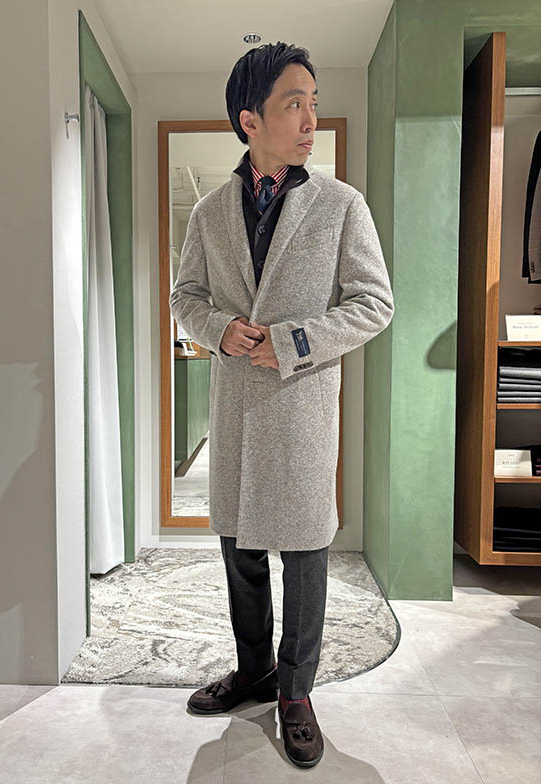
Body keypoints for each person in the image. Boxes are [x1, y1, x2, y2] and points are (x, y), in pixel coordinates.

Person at [169, 41, 394, 769]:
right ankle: (254, 672)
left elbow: (374, 304)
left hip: (300, 409)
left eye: (314, 102)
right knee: (240, 552)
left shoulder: (341, 205)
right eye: (294, 103)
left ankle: (296, 693)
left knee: (303, 555)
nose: (309, 118)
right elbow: (184, 296)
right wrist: (215, 329)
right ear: (250, 119)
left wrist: (296, 340)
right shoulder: (209, 213)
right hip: (236, 409)